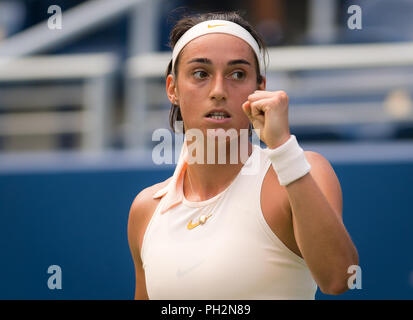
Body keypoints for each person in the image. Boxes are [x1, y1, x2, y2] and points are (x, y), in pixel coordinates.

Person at [127, 11, 359, 300]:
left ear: (259, 87)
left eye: (237, 74)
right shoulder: (145, 211)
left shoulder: (304, 170)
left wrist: (283, 148)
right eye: (201, 73)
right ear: (173, 89)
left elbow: (340, 278)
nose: (219, 91)